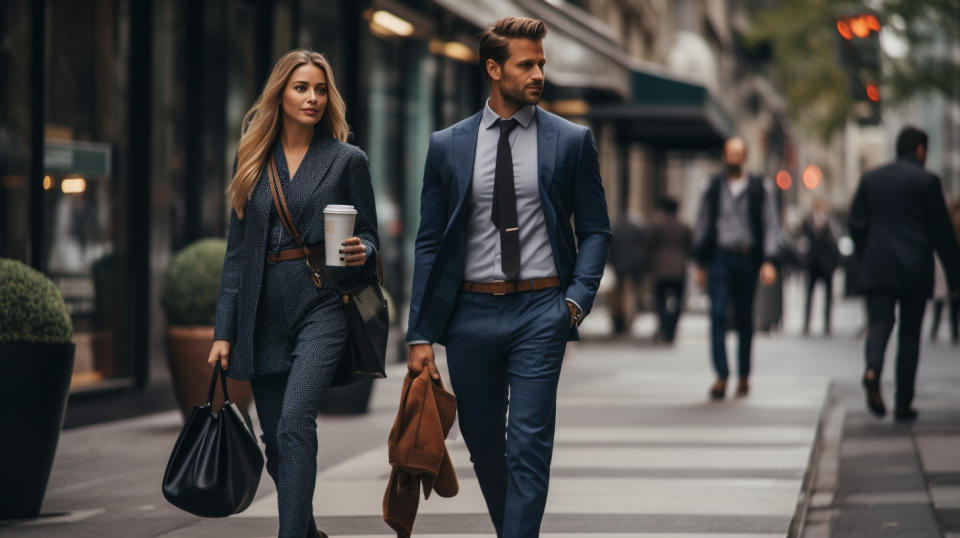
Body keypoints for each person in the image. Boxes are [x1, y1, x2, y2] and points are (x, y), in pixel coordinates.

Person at [405, 17, 611, 537]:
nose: (539, 73)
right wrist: (419, 332)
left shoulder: (570, 141)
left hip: (541, 310)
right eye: (527, 64)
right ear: (494, 69)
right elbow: (429, 241)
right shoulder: (448, 146)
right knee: (484, 445)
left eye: (542, 62)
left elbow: (596, 231)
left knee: (528, 445)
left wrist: (575, 301)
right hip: (469, 314)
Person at [207, 49, 379, 538]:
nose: (313, 98)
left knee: (295, 422)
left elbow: (370, 233)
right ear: (280, 93)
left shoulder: (347, 160)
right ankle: (306, 531)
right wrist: (224, 331)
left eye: (321, 89)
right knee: (276, 442)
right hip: (261, 312)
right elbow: (236, 254)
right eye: (302, 88)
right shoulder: (252, 158)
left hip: (321, 303)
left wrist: (359, 248)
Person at [848, 126, 960, 421]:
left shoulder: (871, 179)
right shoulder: (927, 182)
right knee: (910, 334)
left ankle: (872, 369)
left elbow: (855, 223)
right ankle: (903, 401)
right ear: (920, 150)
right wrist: (955, 276)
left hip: (878, 265)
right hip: (914, 266)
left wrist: (866, 253)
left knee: (879, 323)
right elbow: (942, 234)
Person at [692, 137, 780, 400]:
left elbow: (770, 224)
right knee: (717, 314)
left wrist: (769, 260)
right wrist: (700, 263)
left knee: (744, 317)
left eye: (738, 154)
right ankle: (721, 375)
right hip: (719, 257)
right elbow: (702, 223)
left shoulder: (760, 187)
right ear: (724, 156)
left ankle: (744, 375)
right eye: (730, 153)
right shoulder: (712, 187)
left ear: (745, 157)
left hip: (747, 258)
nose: (733, 158)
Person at [645, 197, 693, 343]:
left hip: (660, 269)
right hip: (679, 269)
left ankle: (664, 326)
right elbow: (691, 246)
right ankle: (671, 327)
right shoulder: (684, 226)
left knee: (660, 301)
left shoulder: (656, 225)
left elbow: (648, 245)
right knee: (678, 301)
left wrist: (650, 263)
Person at [801, 198, 840, 336]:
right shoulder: (808, 221)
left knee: (828, 296)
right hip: (812, 264)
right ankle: (806, 323)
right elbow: (804, 240)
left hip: (826, 264)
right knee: (809, 295)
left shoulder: (830, 222)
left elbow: (834, 242)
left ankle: (827, 323)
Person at [607, 212, 645, 335]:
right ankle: (628, 322)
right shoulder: (637, 229)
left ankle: (617, 322)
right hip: (633, 267)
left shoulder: (614, 228)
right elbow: (642, 248)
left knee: (616, 297)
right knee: (630, 296)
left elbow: (609, 247)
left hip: (617, 266)